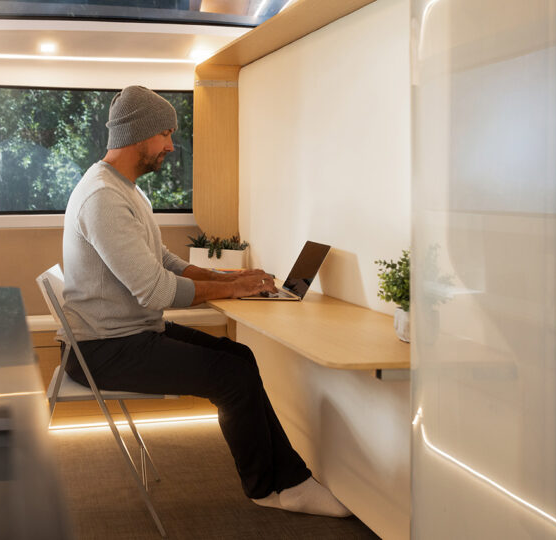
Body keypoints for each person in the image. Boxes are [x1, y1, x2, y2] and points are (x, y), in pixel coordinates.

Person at [61, 85, 350, 518]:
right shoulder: (103, 198)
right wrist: (233, 289)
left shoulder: (128, 191)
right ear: (139, 135)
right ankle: (270, 487)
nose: (171, 146)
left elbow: (163, 261)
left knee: (240, 356)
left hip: (128, 334)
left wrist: (231, 276)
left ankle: (289, 479)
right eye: (165, 134)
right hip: (101, 350)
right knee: (231, 375)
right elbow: (155, 290)